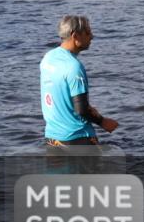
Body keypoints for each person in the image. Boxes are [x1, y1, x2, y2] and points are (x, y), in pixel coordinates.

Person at [40, 15, 118, 146]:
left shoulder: (48, 59)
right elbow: (81, 110)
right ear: (75, 36)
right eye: (88, 32)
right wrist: (103, 122)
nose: (92, 36)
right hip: (78, 138)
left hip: (52, 138)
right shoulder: (74, 67)